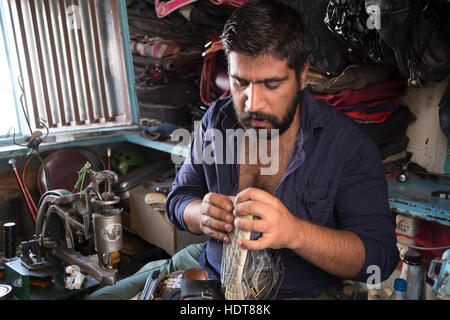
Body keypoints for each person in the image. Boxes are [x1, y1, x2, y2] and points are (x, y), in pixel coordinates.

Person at [86, 0, 399, 300]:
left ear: (302, 75)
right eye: (240, 83)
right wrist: (200, 214)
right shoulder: (217, 120)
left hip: (295, 291)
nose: (253, 104)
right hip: (209, 267)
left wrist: (295, 233)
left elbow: (379, 259)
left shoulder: (345, 145)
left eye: (272, 85)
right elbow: (179, 198)